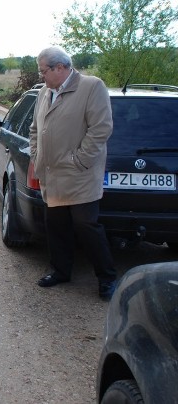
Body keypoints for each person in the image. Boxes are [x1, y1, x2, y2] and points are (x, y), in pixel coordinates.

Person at [29, 46, 118, 301]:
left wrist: (79, 160)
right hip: (52, 173)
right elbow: (36, 128)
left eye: (43, 70)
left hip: (79, 175)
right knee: (56, 226)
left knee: (86, 226)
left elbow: (101, 129)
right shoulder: (45, 92)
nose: (41, 76)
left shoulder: (91, 87)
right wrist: (36, 156)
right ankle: (60, 271)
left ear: (60, 68)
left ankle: (107, 278)